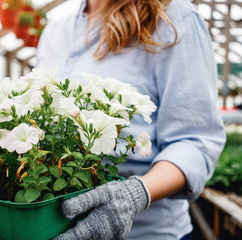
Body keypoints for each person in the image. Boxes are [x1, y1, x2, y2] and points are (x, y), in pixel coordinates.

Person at [36, 0, 226, 239]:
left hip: (147, 232)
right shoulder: (55, 30)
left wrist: (136, 195)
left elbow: (195, 141)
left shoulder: (174, 18)